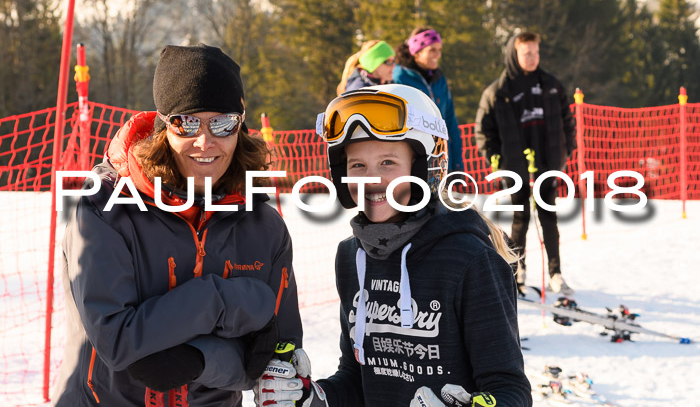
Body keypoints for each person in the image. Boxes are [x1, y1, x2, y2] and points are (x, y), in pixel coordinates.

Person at [52, 44, 302, 406]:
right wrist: (229, 301)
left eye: (222, 122)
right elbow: (118, 342)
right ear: (163, 128)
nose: (205, 141)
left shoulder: (264, 228)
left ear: (240, 127)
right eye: (186, 123)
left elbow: (273, 357)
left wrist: (201, 360)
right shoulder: (106, 210)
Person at [254, 84, 532, 407]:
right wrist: (311, 398)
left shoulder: (469, 260)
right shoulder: (351, 257)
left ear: (425, 167)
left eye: (387, 162)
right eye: (357, 165)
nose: (371, 180)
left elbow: (511, 390)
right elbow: (357, 379)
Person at [475, 31, 576, 295]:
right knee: (520, 218)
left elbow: (567, 121)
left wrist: (568, 150)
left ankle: (556, 273)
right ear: (514, 54)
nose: (533, 58)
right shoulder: (499, 91)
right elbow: (484, 130)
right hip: (515, 164)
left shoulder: (551, 86)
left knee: (548, 216)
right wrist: (495, 158)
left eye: (536, 52)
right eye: (526, 53)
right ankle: (518, 271)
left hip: (547, 162)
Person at [393, 27, 464, 173]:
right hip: (413, 162)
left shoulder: (439, 78)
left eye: (439, 49)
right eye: (432, 50)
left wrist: (457, 164)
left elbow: (450, 122)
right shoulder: (399, 77)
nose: (438, 55)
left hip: (442, 161)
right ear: (416, 52)